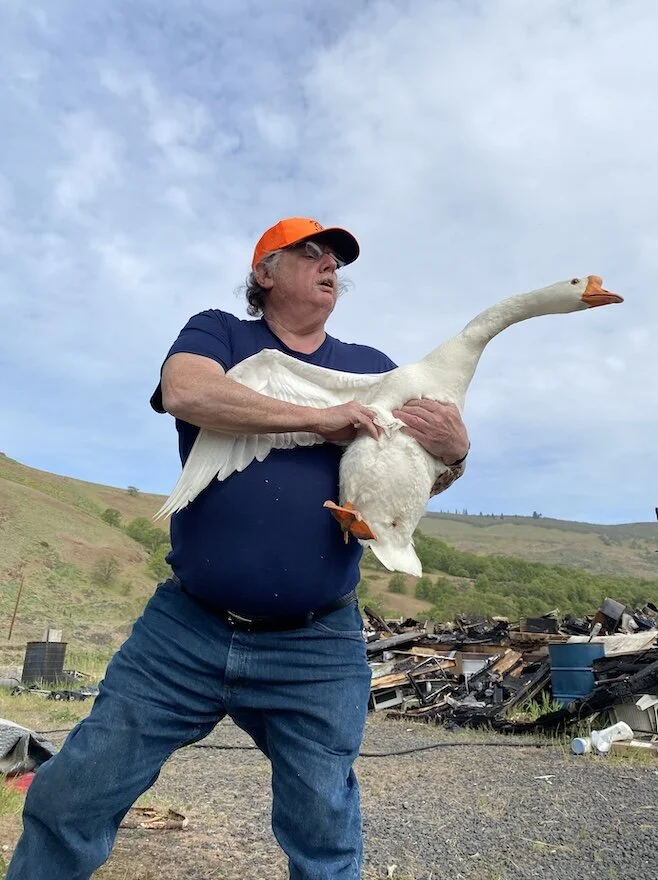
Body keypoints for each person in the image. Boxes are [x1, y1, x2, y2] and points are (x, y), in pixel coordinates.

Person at [8, 217, 470, 880]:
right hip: (185, 631)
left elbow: (417, 474)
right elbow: (186, 391)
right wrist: (321, 418)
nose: (330, 266)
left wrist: (453, 453)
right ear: (264, 273)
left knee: (324, 831)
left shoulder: (374, 368)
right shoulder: (219, 334)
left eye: (336, 260)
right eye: (310, 253)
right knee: (75, 793)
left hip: (316, 644)